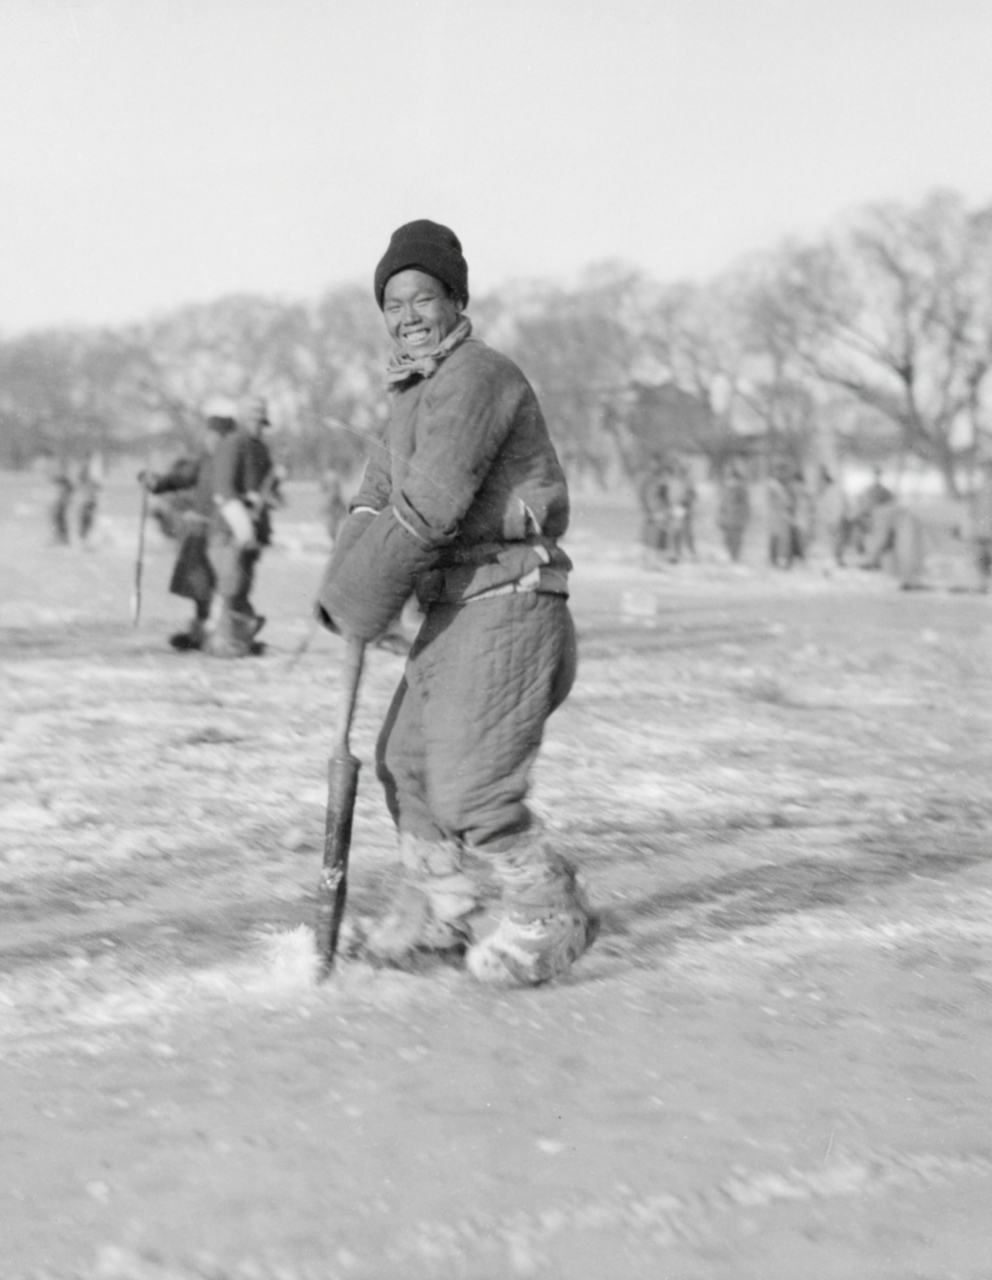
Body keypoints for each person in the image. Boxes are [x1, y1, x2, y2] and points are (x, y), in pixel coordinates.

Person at [316, 218, 597, 987]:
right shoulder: (410, 394)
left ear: (456, 300)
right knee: (404, 764)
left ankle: (550, 909)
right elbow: (377, 500)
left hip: (509, 595)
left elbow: (433, 501)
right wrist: (345, 590)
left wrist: (363, 601)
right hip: (453, 604)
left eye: (423, 297)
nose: (406, 316)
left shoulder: (477, 377)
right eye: (392, 302)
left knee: (473, 783)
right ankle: (448, 909)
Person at [141, 412, 262, 657]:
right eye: (209, 435)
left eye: (217, 436)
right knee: (200, 587)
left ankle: (233, 635)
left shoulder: (236, 462)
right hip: (201, 534)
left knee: (230, 588)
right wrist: (156, 483)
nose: (212, 440)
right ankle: (202, 632)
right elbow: (180, 478)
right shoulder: (204, 461)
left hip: (226, 533)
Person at [231, 394, 283, 637]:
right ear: (242, 419)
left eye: (261, 422)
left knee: (244, 578)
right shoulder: (234, 444)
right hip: (236, 521)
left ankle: (242, 627)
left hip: (256, 524)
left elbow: (269, 488)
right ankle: (239, 625)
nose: (258, 426)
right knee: (233, 580)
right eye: (253, 420)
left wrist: (276, 486)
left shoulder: (261, 448)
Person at [717, 462, 750, 562]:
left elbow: (744, 504)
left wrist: (744, 514)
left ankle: (734, 555)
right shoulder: (726, 488)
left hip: (735, 515)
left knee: (735, 536)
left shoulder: (740, 489)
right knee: (729, 536)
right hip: (728, 515)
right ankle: (732, 554)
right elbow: (722, 503)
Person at [76, 452, 102, 545]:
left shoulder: (92, 469)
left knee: (87, 518)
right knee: (85, 518)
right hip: (86, 498)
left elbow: (96, 485)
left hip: (89, 498)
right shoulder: (87, 469)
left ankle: (86, 538)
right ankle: (85, 538)